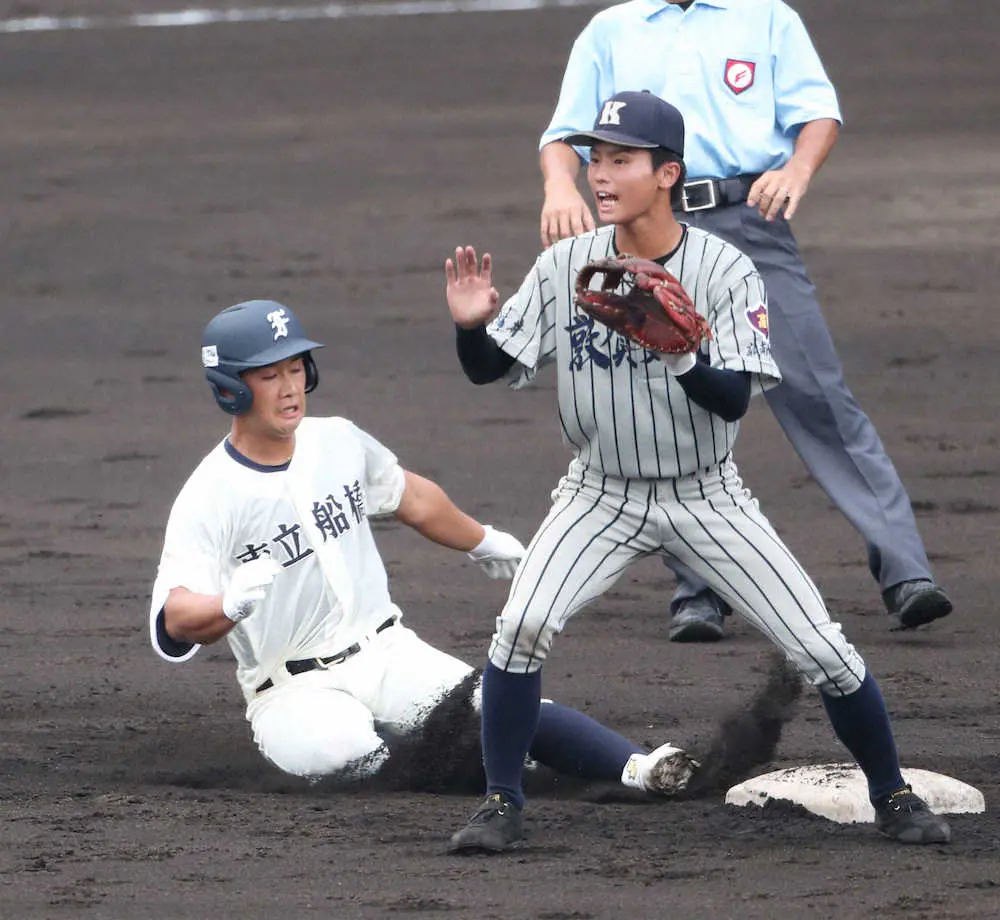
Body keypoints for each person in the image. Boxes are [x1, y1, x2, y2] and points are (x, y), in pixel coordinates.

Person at [444, 91, 950, 851]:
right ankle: (500, 802)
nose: (600, 175)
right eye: (596, 160)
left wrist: (679, 351)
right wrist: (472, 328)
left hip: (705, 494)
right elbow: (491, 370)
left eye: (620, 160)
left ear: (668, 173)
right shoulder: (565, 264)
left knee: (822, 650)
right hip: (598, 493)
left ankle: (894, 794)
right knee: (521, 625)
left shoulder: (726, 270)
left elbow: (732, 400)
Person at [147, 298, 697, 795]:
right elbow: (174, 620)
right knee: (354, 758)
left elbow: (411, 498)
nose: (290, 387)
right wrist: (225, 608)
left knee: (494, 707)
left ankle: (640, 769)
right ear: (232, 388)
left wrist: (484, 541)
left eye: (296, 368)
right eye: (270, 375)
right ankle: (516, 775)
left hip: (388, 653)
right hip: (291, 690)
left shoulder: (335, 439)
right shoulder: (210, 495)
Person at [536, 0, 952, 642]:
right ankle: (698, 591)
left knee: (815, 391)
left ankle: (905, 570)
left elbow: (819, 112)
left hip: (751, 222)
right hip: (652, 230)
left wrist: (798, 169)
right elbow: (564, 133)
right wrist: (560, 187)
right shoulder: (612, 29)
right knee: (671, 398)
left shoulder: (766, 17)